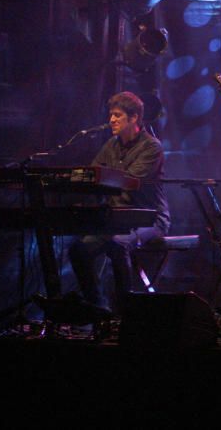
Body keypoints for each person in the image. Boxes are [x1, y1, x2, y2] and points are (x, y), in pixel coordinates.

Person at [69, 91, 170, 312]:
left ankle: (125, 311)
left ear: (134, 118)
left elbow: (130, 180)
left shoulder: (151, 147)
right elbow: (93, 175)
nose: (111, 120)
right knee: (79, 249)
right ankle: (98, 307)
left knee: (118, 243)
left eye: (117, 115)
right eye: (111, 115)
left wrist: (103, 178)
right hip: (117, 220)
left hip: (150, 220)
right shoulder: (111, 146)